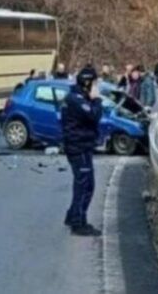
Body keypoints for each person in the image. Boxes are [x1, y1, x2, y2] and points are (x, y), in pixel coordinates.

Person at [61, 67, 103, 237]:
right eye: (94, 82)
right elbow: (94, 115)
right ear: (87, 83)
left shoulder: (78, 97)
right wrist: (97, 99)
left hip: (81, 145)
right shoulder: (76, 100)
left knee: (83, 183)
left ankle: (72, 215)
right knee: (85, 185)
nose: (96, 86)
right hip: (79, 147)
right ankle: (79, 223)